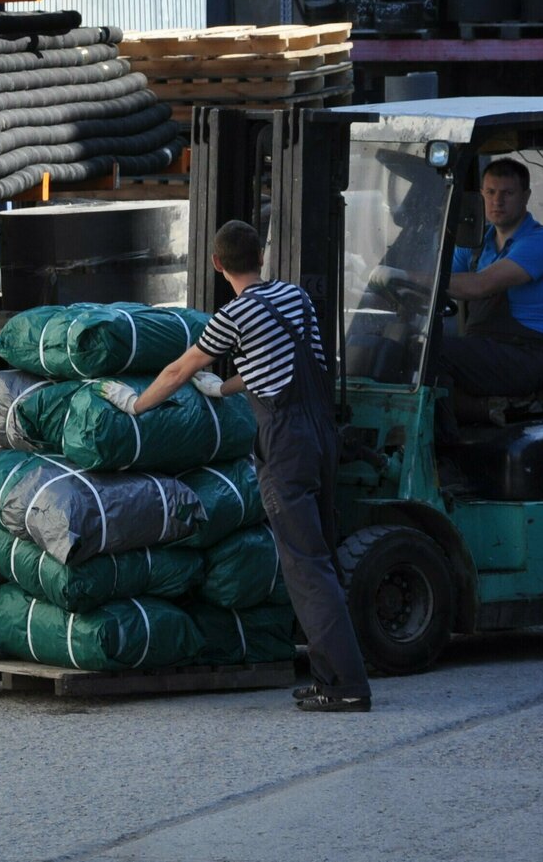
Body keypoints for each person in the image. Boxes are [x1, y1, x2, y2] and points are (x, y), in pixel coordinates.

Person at [101, 219, 372, 714]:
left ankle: (345, 686)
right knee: (321, 557)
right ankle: (331, 676)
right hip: (321, 435)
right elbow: (283, 362)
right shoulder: (295, 299)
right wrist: (224, 389)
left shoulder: (234, 315)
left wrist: (135, 406)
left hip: (285, 443)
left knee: (304, 566)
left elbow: (179, 369)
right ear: (263, 256)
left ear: (216, 263)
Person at [435, 157, 543, 400]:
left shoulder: (542, 242)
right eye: (490, 192)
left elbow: (480, 285)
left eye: (507, 193)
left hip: (527, 355)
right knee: (408, 348)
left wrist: (411, 279)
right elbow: (445, 275)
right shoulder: (476, 243)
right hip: (486, 348)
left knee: (434, 353)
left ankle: (443, 436)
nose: (497, 201)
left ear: (526, 196)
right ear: (481, 195)